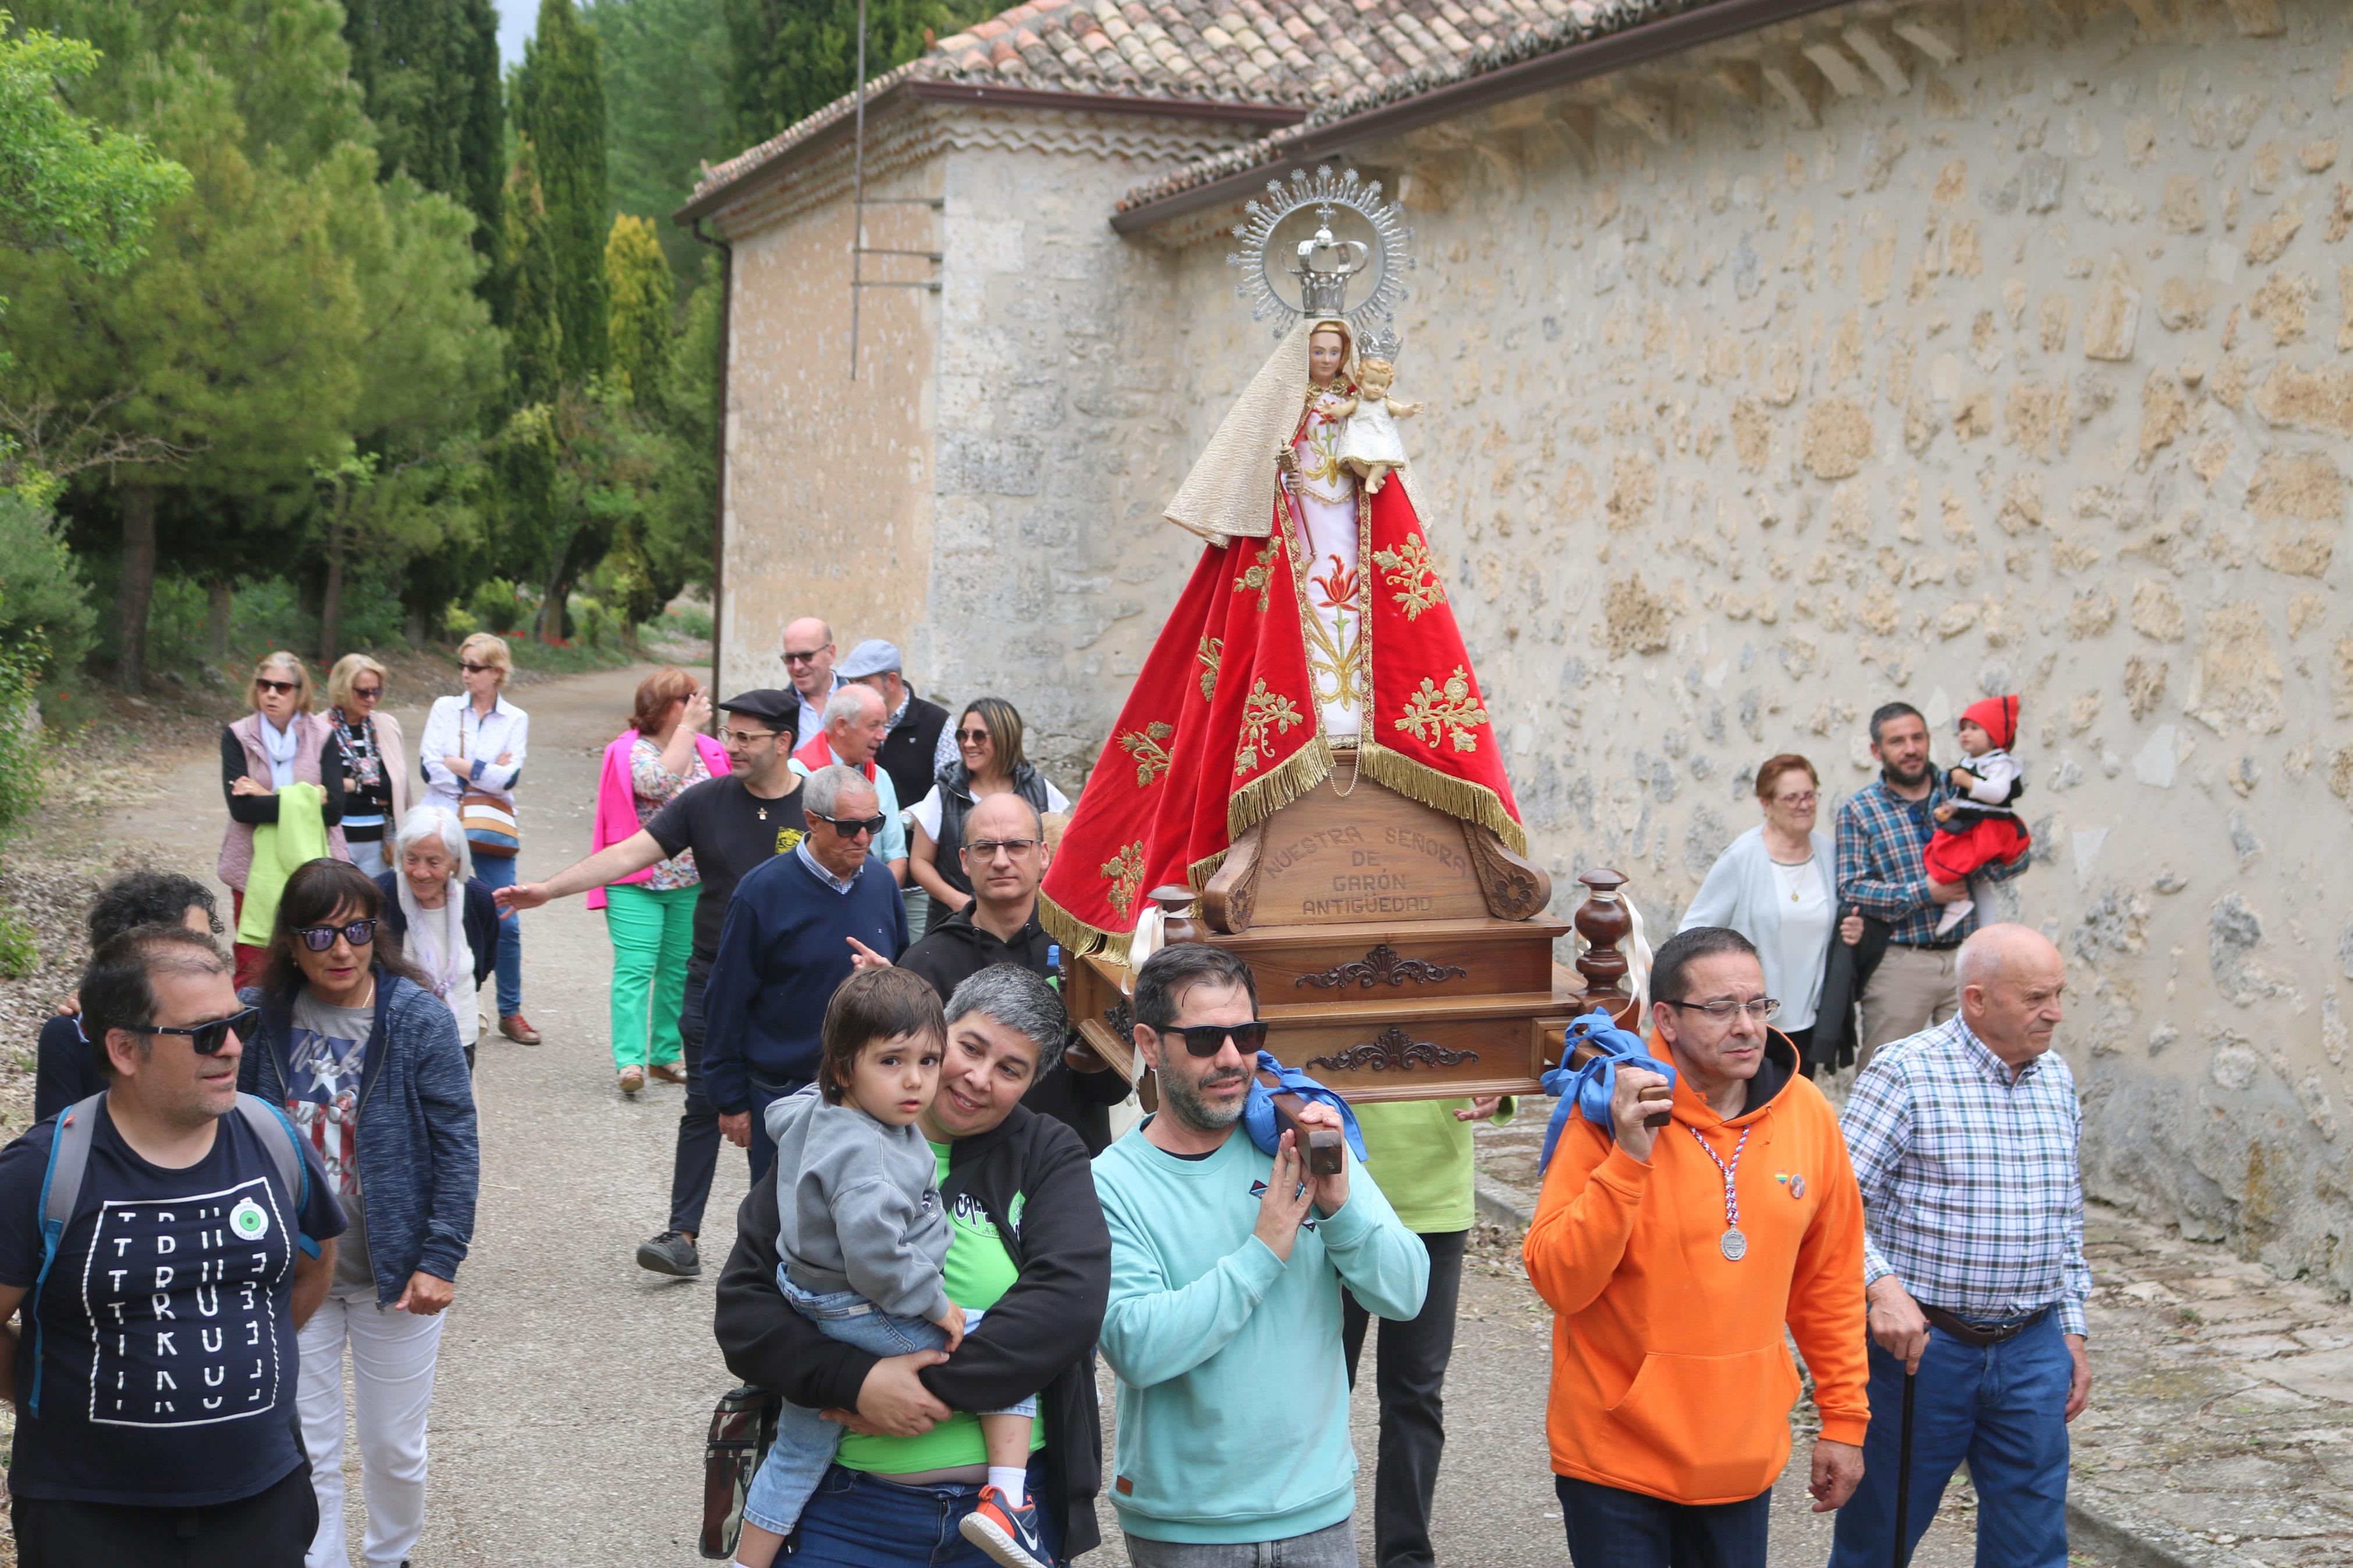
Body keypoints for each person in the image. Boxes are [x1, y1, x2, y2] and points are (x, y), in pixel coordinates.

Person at [1040, 318, 1527, 957]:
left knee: (1357, 605)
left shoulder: (1353, 405)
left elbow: (1380, 458)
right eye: (1318, 352)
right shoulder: (1283, 414)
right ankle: (1326, 705)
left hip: (1351, 526)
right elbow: (1262, 478)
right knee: (1299, 622)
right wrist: (1285, 483)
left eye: (1334, 352)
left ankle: (1354, 711)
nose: (1327, 361)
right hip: (1297, 528)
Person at [715, 964, 1110, 1567]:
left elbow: (1067, 1307)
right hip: (847, 1511)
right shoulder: (826, 1138)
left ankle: (1007, 1503)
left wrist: (918, 1390)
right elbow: (745, 1308)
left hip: (1001, 1534)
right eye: (969, 1048)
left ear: (1031, 1083)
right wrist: (855, 1383)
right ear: (937, 1031)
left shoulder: (1046, 1152)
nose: (978, 1078)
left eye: (1010, 1069)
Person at [1521, 927, 1866, 1567]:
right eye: (1720, 1008)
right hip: (1615, 1457)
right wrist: (1629, 1156)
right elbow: (1557, 1280)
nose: (1746, 1026)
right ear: (1666, 1021)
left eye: (1757, 1005)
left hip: (1738, 1458)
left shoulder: (1808, 1115)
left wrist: (1844, 1420)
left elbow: (1831, 1283)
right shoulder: (1608, 1107)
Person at [0, 926, 345, 1567]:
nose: (233, 1047)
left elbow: (314, 1265)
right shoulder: (41, 1170)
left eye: (237, 1022)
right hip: (90, 1517)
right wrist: (48, 1391)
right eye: (205, 1033)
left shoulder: (273, 1139)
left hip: (261, 1503)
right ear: (125, 1049)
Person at [1098, 943, 1428, 1565]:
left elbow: (1405, 1292)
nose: (1230, 1059)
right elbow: (1136, 1347)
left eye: (1246, 1035)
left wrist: (1340, 1203)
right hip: (1184, 1526)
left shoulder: (1300, 1137)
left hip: (1317, 1509)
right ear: (1147, 1044)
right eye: (1203, 1040)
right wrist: (1265, 1246)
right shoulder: (1110, 1182)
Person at [496, 689, 805, 1280]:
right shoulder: (705, 801)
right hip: (712, 982)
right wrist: (547, 890)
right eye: (729, 734)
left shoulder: (814, 807)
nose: (730, 747)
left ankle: (775, 1248)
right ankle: (681, 1235)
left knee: (779, 1115)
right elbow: (628, 853)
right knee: (703, 1104)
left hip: (786, 994)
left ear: (782, 742)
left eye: (745, 738)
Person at [236, 858, 478, 1568]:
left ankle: (389, 1555)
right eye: (320, 935)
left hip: (395, 1275)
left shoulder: (417, 1017)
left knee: (393, 1447)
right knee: (306, 1446)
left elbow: (457, 1145)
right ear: (290, 942)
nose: (340, 950)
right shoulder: (256, 1017)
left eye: (355, 929)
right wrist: (82, 1015)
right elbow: (162, 1031)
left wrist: (441, 1257)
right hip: (292, 1271)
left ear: (377, 931)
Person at [1829, 924, 2091, 1568]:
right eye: (2034, 997)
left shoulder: (2055, 1078)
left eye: (2057, 994)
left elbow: (2066, 1215)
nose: (2053, 1012)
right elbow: (1831, 1206)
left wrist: (2071, 1331)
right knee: (1880, 1540)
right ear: (1975, 999)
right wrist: (1878, 1286)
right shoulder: (1904, 1073)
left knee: (2031, 1547)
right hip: (1921, 1351)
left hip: (2031, 1348)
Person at [702, 763, 910, 1182]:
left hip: (865, 1090)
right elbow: (726, 999)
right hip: (783, 1091)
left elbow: (906, 976)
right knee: (780, 1217)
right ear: (812, 821)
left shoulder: (881, 883)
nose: (865, 838)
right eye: (850, 827)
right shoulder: (762, 892)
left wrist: (886, 978)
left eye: (874, 823)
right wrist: (729, 1099)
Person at [900, 792, 1130, 1155]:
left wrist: (1089, 1046)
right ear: (965, 860)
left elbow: (1116, 1089)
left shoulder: (1088, 950)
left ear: (1043, 855)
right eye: (986, 848)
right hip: (961, 1177)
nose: (1001, 860)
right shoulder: (925, 964)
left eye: (1017, 846)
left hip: (1071, 1163)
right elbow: (908, 1089)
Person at [1343, 1090, 1512, 1568]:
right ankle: (1306, 1538)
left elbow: (1503, 1024)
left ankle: (1406, 1555)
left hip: (1433, 1192)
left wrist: (1497, 1084)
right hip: (1333, 1186)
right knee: (1320, 1385)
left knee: (1415, 1392)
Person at [1836, 702, 2033, 1058]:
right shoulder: (1859, 810)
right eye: (1897, 741)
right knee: (1887, 1069)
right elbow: (1852, 887)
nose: (1911, 749)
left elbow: (2015, 861)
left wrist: (1982, 859)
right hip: (1901, 963)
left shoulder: (1964, 787)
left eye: (1918, 738)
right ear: (1876, 751)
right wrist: (1926, 892)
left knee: (1979, 1070)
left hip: (1971, 960)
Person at [590, 669, 728, 1096]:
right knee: (634, 970)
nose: (698, 701)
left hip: (691, 881)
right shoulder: (629, 750)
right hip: (634, 881)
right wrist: (688, 729)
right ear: (668, 706)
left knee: (676, 973)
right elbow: (656, 783)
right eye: (688, 697)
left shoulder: (709, 748)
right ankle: (629, 1061)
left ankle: (665, 1056)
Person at [1680, 754, 1863, 1070]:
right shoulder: (1742, 857)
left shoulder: (1830, 854)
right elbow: (1693, 931)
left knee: (1795, 1109)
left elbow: (1834, 924)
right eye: (1791, 797)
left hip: (1809, 1020)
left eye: (1809, 795)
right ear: (1766, 804)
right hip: (1751, 1021)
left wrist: (1853, 930)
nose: (1803, 805)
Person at [419, 633, 535, 1044]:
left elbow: (510, 778)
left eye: (474, 667)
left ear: (496, 673)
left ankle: (510, 1010)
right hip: (443, 821)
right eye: (462, 665)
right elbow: (430, 766)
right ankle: (444, 1004)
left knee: (507, 919)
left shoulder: (515, 719)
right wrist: (482, 770)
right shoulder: (445, 709)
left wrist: (460, 764)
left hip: (490, 829)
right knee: (438, 911)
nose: (465, 673)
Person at [36, 872, 223, 1122]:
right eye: (192, 944)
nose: (210, 956)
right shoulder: (74, 1036)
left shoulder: (233, 1026)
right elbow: (55, 1141)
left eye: (209, 943)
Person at [221, 650, 349, 987]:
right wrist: (308, 798)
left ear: (299, 691)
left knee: (314, 956)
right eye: (265, 685)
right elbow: (242, 811)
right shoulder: (237, 736)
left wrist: (264, 795)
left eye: (282, 687)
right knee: (255, 966)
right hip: (251, 866)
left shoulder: (323, 736)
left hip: (313, 865)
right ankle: (252, 1037)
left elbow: (334, 810)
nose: (272, 694)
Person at [909, 698, 1070, 920]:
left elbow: (1063, 856)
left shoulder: (1041, 790)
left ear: (1005, 738)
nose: (968, 744)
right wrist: (959, 902)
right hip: (959, 924)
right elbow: (919, 861)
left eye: (979, 736)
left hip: (1032, 924)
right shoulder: (943, 793)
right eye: (962, 735)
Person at [376, 805, 498, 1068]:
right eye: (411, 859)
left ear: (455, 862)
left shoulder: (477, 898)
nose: (420, 873)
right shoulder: (381, 893)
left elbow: (485, 961)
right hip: (395, 1037)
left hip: (459, 1032)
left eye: (433, 862)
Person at [1925, 694, 2032, 938]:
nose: (1965, 734)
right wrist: (1951, 807)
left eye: (1974, 728)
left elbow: (1998, 793)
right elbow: (1967, 799)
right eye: (1962, 729)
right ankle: (1972, 914)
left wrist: (1970, 782)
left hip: (1992, 828)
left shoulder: (2000, 763)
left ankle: (1973, 915)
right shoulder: (1970, 761)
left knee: (1955, 858)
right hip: (1974, 822)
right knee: (1967, 870)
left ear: (1994, 735)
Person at [792, 684, 911, 886]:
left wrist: (876, 899)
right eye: (874, 726)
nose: (883, 735)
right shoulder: (798, 775)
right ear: (842, 726)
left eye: (884, 725)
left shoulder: (880, 777)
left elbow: (896, 855)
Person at [840, 638, 952, 824]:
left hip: (919, 847)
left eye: (863, 683)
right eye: (851, 684)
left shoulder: (937, 722)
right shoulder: (847, 722)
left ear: (891, 681)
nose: (855, 692)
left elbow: (949, 790)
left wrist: (904, 820)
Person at [325, 653, 410, 879]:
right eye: (363, 692)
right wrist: (374, 791)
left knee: (374, 912)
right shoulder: (318, 729)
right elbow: (325, 790)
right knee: (339, 911)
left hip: (379, 845)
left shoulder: (386, 726)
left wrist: (353, 785)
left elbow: (393, 786)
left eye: (377, 691)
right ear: (343, 688)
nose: (371, 699)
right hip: (333, 840)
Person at [781, 616, 844, 751]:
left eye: (806, 656)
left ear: (831, 653)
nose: (797, 666)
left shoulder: (859, 703)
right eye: (790, 658)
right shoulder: (779, 710)